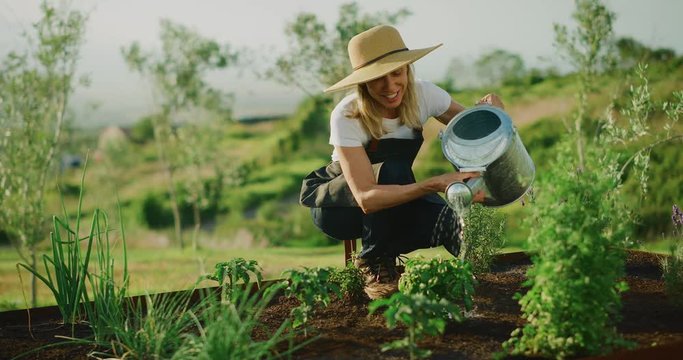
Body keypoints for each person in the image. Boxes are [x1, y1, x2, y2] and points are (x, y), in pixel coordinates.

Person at [299, 25, 505, 299]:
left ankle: (477, 282)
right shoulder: (346, 116)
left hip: (394, 200)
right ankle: (374, 263)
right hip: (341, 208)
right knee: (395, 167)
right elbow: (366, 198)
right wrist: (433, 185)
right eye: (378, 79)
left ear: (407, 69)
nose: (390, 86)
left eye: (396, 73)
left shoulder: (425, 95)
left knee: (450, 221)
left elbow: (474, 130)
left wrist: (496, 113)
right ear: (363, 83)